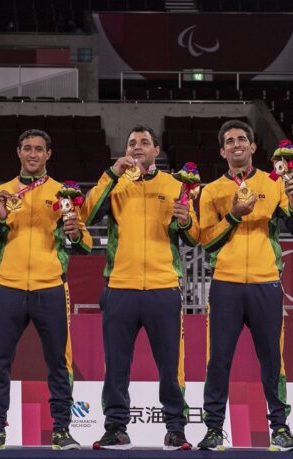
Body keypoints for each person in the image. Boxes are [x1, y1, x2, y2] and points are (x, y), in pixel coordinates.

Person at [81, 125, 199, 451]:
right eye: (132, 142)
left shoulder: (175, 185)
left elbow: (192, 236)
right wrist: (111, 173)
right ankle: (116, 428)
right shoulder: (116, 184)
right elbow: (87, 213)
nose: (137, 147)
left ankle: (175, 429)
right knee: (116, 365)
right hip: (120, 287)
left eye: (144, 142)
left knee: (170, 365)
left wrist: (187, 221)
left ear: (156, 151)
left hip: (163, 287)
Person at [0, 129, 92, 451]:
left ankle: (62, 430)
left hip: (51, 286)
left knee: (58, 362)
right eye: (27, 148)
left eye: (39, 149)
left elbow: (85, 245)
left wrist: (74, 233)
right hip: (8, 287)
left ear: (48, 154)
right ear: (18, 152)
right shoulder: (1, 192)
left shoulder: (63, 193)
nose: (33, 154)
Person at [197, 120, 293, 451]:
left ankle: (280, 429)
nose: (236, 144)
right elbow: (206, 242)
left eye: (242, 139)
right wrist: (232, 215)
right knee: (218, 360)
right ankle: (214, 430)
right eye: (229, 141)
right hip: (226, 285)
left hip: (266, 283)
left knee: (273, 359)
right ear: (222, 151)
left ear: (253, 147)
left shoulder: (273, 184)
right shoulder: (212, 191)